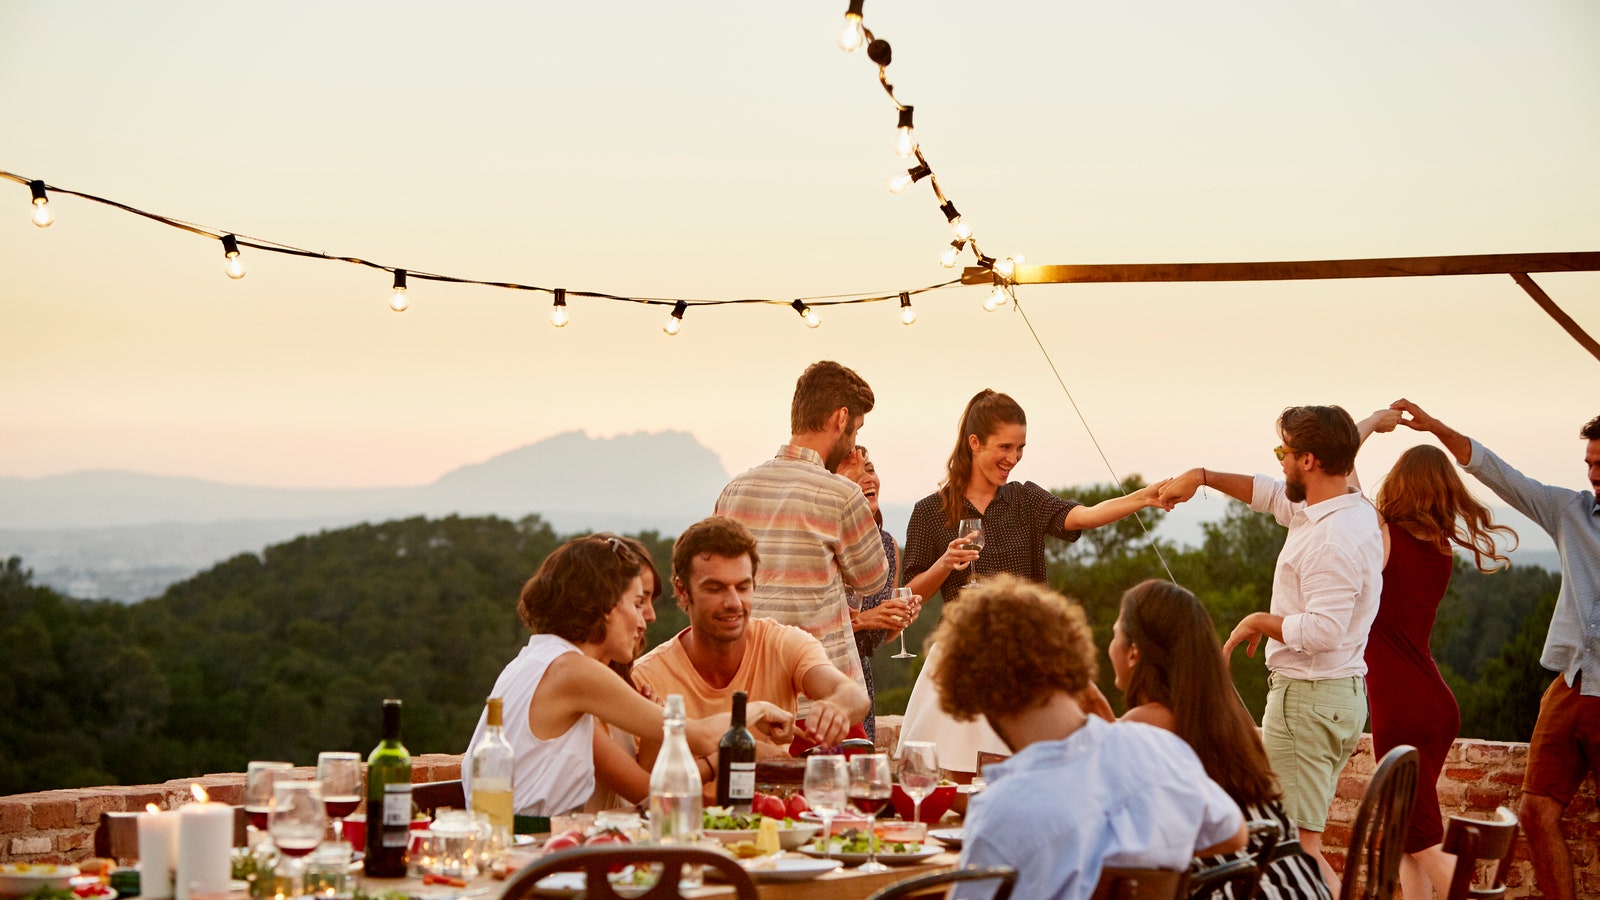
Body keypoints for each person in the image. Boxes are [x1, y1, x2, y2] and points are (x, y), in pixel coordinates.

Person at [1157, 405, 1389, 895]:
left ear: (1308, 460)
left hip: (1307, 698)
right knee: (1301, 840)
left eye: (1284, 452)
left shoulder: (1332, 537)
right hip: (1336, 696)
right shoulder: (1347, 506)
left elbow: (1325, 630)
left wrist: (1259, 620)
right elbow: (1269, 495)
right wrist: (1201, 477)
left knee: (1296, 849)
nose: (1279, 461)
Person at [1388, 399, 1599, 900]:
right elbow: (1502, 475)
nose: (1593, 473)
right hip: (1570, 686)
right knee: (1534, 811)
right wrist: (1436, 428)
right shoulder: (1572, 511)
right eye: (1589, 463)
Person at [898, 389, 1171, 775]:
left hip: (1025, 662)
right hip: (962, 658)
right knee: (955, 776)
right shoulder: (930, 511)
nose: (1013, 458)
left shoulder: (1024, 500)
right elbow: (911, 593)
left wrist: (1143, 497)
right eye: (1005, 446)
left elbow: (1086, 516)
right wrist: (945, 563)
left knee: (1029, 772)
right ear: (974, 443)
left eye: (1021, 447)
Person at [935, 574, 1247, 900]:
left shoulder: (1000, 812)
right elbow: (1234, 834)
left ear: (977, 689)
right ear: (1068, 651)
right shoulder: (1161, 749)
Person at [462, 534, 792, 829]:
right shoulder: (574, 672)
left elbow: (647, 793)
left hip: (525, 844)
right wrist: (759, 709)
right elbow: (703, 735)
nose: (644, 617)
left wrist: (654, 730)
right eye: (636, 603)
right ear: (606, 605)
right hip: (533, 853)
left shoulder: (534, 661)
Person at [1109, 579, 1331, 900]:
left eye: (1115, 633)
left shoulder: (1145, 725)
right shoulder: (1225, 715)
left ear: (1133, 653)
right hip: (1295, 886)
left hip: (1239, 890)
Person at [1361, 444, 1517, 899]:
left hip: (1401, 707)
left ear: (1399, 483)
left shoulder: (1384, 534)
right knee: (1407, 838)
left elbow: (1343, 485)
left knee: (1423, 839)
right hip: (1433, 703)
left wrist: (1369, 426)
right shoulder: (1441, 548)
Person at [714, 361, 889, 710]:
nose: (854, 442)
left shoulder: (734, 490)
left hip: (749, 696)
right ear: (841, 418)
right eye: (856, 430)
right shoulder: (841, 495)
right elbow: (873, 580)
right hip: (822, 702)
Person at [631, 516, 870, 758]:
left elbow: (855, 697)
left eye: (743, 587)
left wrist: (835, 706)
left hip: (772, 797)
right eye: (715, 589)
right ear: (683, 592)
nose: (733, 603)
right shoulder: (647, 677)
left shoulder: (782, 643)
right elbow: (642, 783)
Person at [836, 445, 921, 741]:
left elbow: (881, 637)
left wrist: (898, 620)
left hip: (862, 681)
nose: (867, 478)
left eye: (869, 469)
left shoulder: (887, 545)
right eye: (856, 472)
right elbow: (810, 626)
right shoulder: (828, 542)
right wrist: (865, 619)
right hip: (829, 678)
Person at [585, 533, 663, 812]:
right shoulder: (577, 678)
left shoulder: (620, 680)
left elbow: (639, 794)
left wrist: (654, 730)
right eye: (639, 601)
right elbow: (643, 794)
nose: (650, 615)